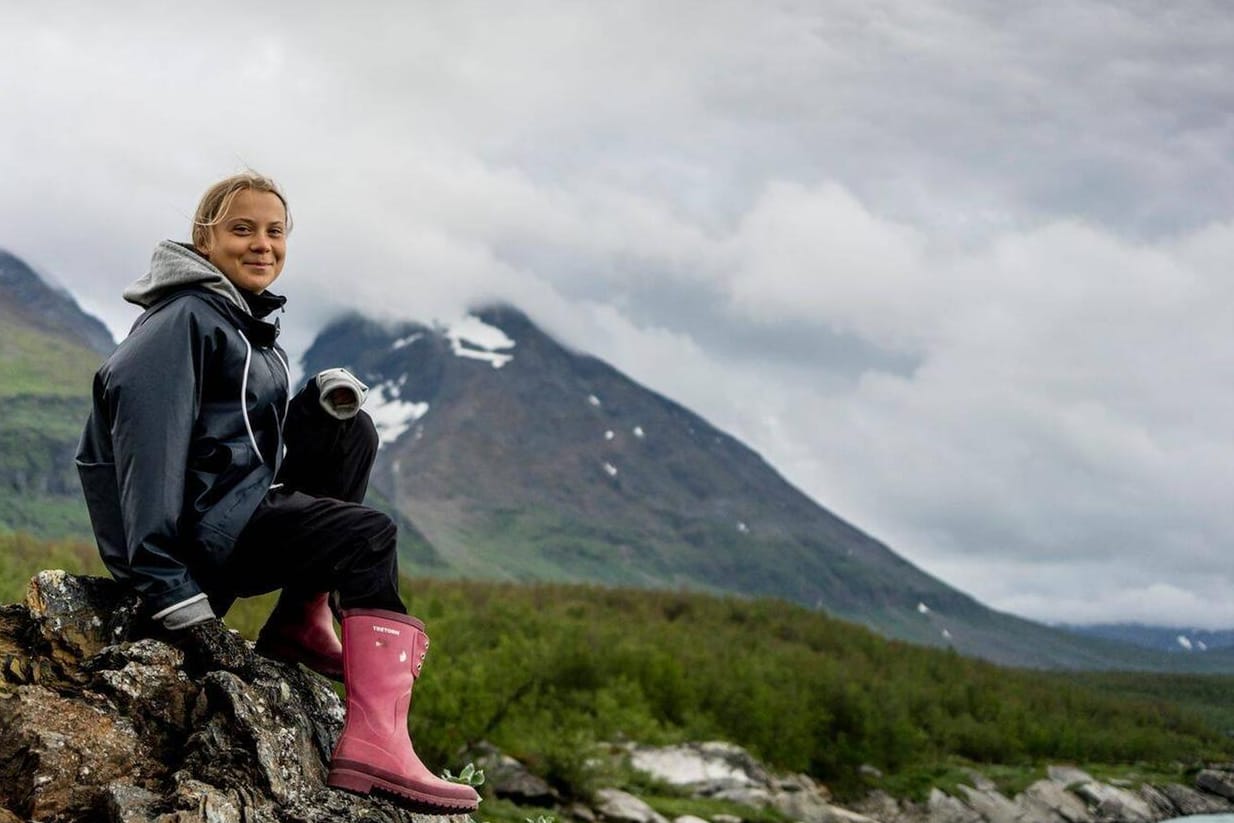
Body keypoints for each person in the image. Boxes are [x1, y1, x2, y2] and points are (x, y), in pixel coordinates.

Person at [74, 171, 479, 813]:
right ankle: (376, 747)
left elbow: (229, 446)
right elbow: (142, 466)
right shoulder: (182, 321)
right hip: (195, 547)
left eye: (274, 231)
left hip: (227, 518)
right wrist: (177, 600)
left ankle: (299, 620)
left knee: (349, 430)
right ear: (204, 240)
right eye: (242, 230)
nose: (262, 244)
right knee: (369, 536)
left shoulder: (242, 323)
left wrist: (312, 409)